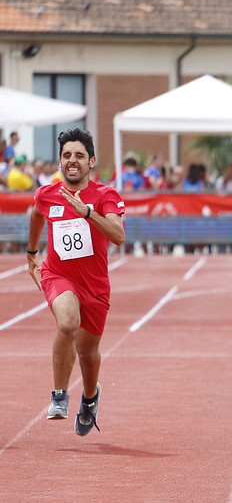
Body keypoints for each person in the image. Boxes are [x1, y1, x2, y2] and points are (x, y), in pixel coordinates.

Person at [26, 127, 126, 436]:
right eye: (67, 155)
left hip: (95, 286)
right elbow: (36, 215)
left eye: (79, 156)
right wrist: (31, 252)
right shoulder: (47, 194)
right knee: (67, 323)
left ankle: (90, 397)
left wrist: (87, 213)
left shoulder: (105, 195)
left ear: (91, 161)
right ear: (59, 161)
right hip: (58, 275)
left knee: (87, 353)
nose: (73, 161)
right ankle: (59, 395)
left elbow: (118, 236)